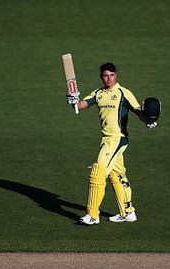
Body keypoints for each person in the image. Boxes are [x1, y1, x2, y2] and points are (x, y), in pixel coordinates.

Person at [67, 62, 157, 225]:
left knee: (98, 171)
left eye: (112, 75)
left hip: (117, 139)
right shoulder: (99, 93)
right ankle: (128, 212)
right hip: (106, 139)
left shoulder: (123, 93)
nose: (109, 78)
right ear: (101, 77)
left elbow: (137, 110)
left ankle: (93, 215)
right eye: (105, 75)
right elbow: (81, 105)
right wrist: (73, 100)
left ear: (116, 75)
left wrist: (147, 120)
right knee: (116, 175)